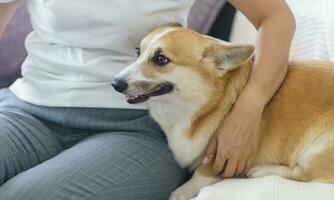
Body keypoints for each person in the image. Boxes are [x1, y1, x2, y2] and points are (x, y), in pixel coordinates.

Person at [0, 0, 295, 199]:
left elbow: (276, 16)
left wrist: (249, 108)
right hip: (27, 109)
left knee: (24, 195)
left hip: (138, 127)